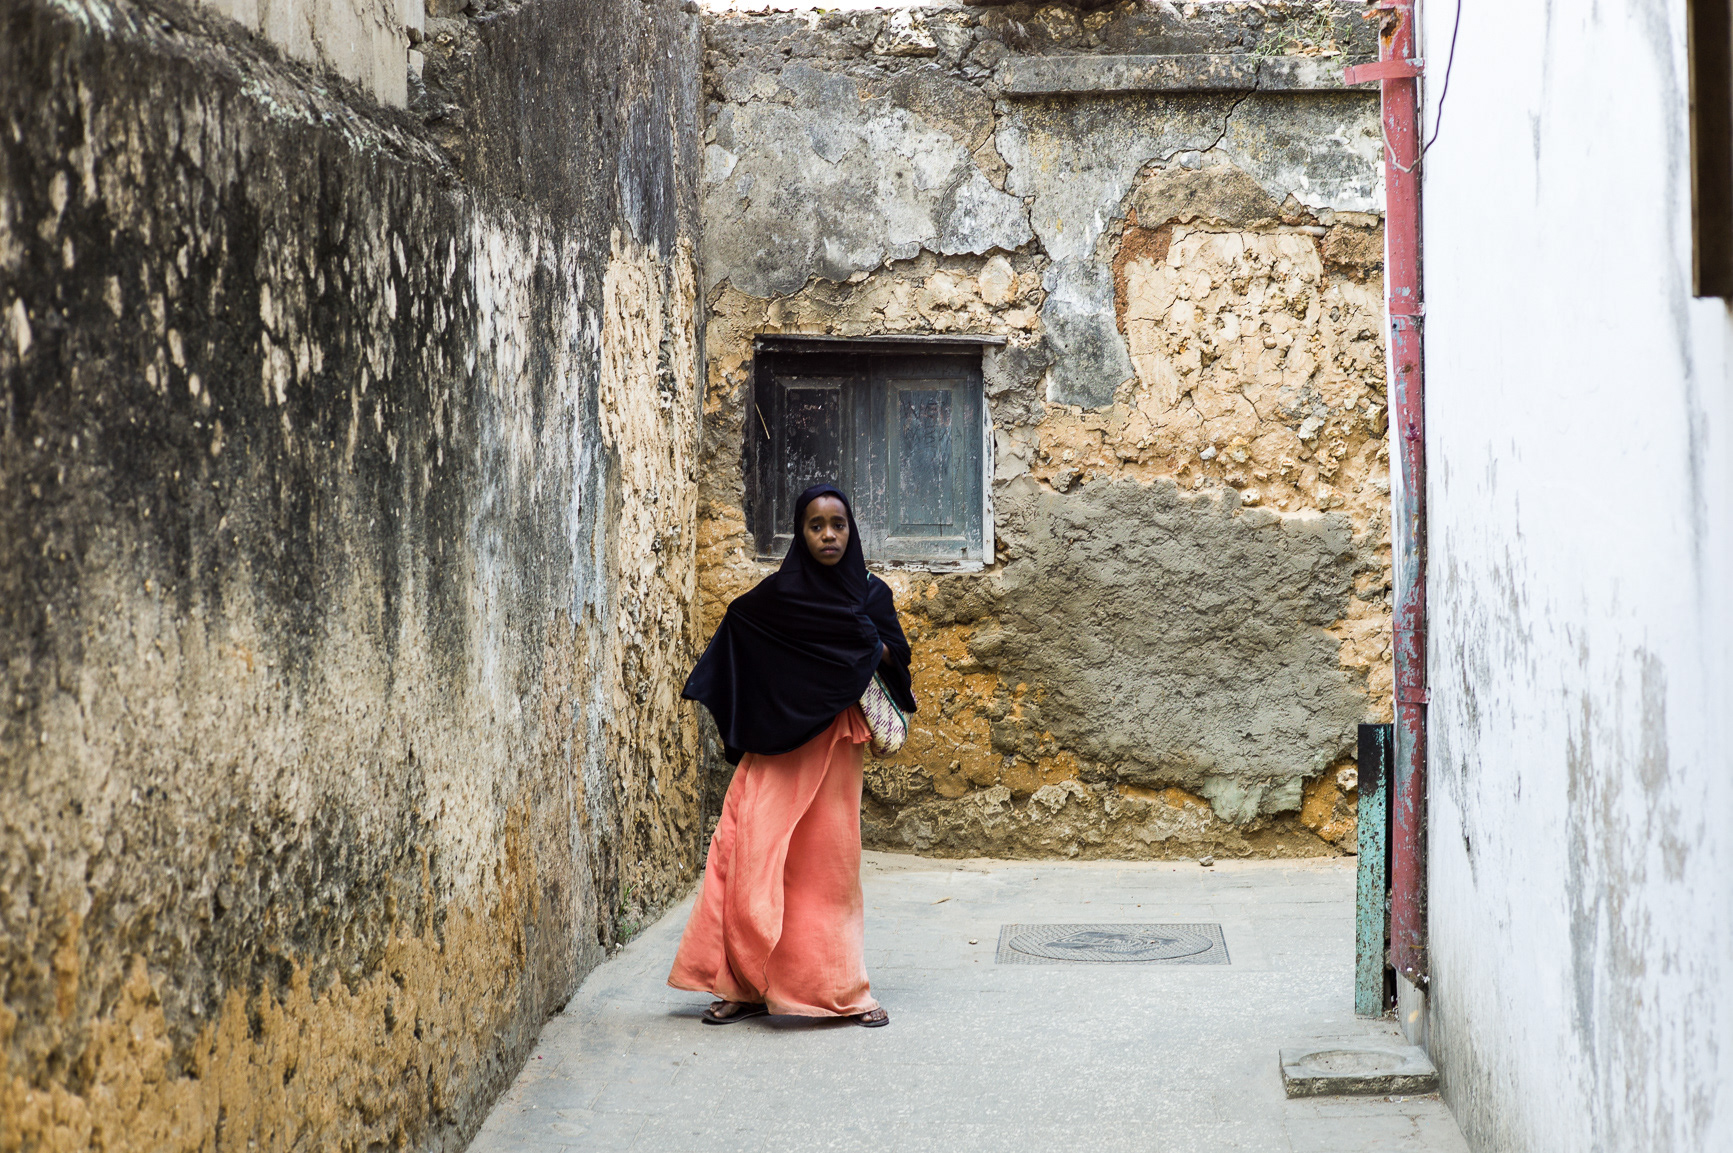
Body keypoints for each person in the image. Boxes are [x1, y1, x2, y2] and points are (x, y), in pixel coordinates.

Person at [668, 484, 917, 1027]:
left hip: (835, 744)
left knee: (827, 867)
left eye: (838, 525)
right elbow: (741, 628)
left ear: (851, 531)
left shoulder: (870, 595)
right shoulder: (778, 596)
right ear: (800, 533)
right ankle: (743, 985)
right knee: (749, 855)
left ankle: (844, 990)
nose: (828, 535)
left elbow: (897, 657)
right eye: (815, 525)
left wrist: (865, 643)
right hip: (777, 747)